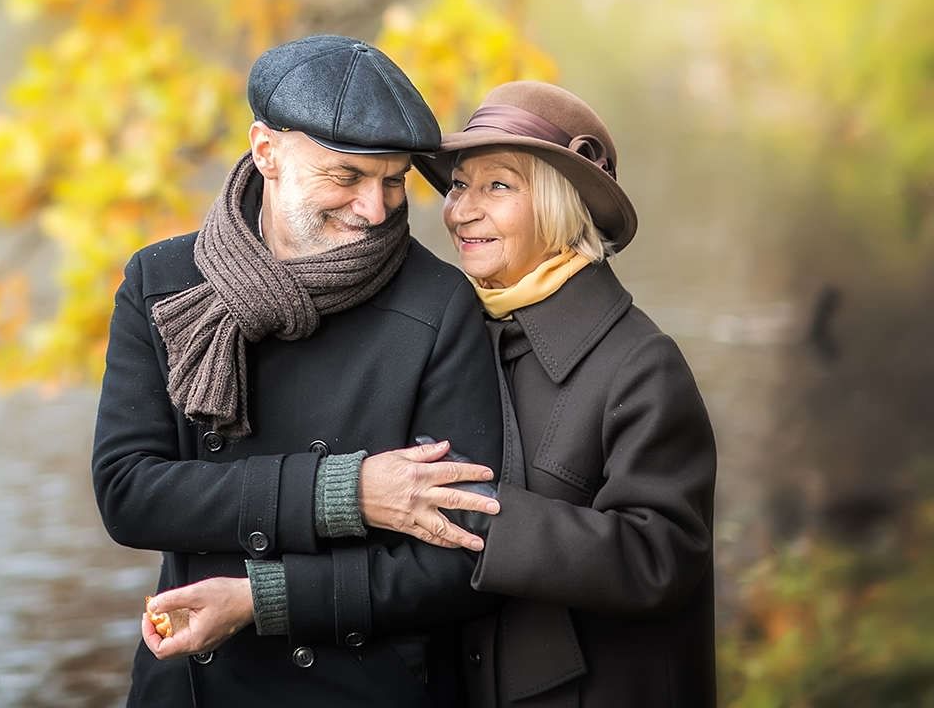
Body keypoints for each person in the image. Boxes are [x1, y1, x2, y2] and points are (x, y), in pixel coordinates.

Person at [92, 35, 504, 707]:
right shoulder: (163, 282)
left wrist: (264, 600)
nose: (375, 209)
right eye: (346, 177)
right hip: (192, 687)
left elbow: (461, 556)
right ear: (267, 153)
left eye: (393, 180)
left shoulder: (438, 307)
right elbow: (130, 494)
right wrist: (340, 492)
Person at [413, 80, 718, 706]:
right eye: (460, 185)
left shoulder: (641, 364)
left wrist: (480, 511)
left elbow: (661, 556)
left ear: (559, 204)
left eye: (497, 185)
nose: (461, 209)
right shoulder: (452, 338)